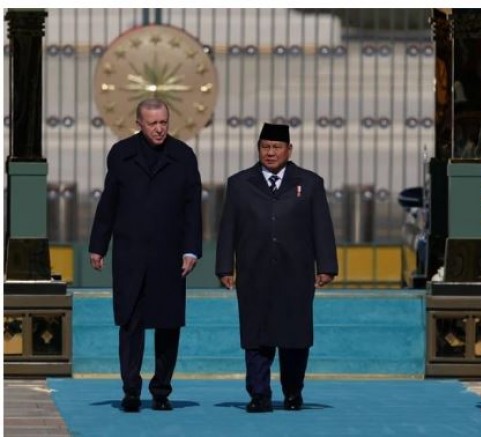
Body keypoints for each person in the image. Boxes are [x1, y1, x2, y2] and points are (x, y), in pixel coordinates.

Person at [89, 98, 202, 413]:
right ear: (138, 123)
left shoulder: (183, 156)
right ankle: (131, 391)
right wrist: (98, 245)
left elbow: (193, 207)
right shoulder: (121, 154)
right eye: (152, 123)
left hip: (169, 255)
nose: (159, 129)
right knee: (130, 323)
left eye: (164, 122)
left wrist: (191, 249)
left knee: (168, 325)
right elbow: (109, 202)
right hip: (131, 254)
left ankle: (161, 391)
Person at [216, 123, 338, 413]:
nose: (270, 153)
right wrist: (225, 267)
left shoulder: (309, 183)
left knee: (295, 337)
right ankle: (259, 394)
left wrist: (327, 265)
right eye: (265, 147)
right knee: (256, 336)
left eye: (276, 147)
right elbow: (228, 227)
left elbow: (322, 226)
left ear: (289, 150)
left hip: (295, 272)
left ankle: (293, 392)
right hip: (253, 271)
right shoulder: (240, 184)